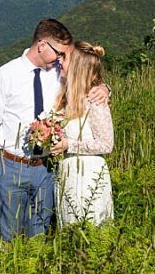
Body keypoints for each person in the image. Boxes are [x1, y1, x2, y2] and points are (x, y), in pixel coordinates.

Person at [0, 18, 108, 242]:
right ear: (41, 45)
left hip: (45, 169)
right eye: (58, 53)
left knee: (40, 231)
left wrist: (105, 88)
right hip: (11, 165)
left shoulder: (57, 74)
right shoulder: (5, 75)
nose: (61, 60)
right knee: (8, 235)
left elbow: (85, 80)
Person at [48, 41, 115, 226]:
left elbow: (106, 144)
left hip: (88, 174)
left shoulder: (94, 99)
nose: (59, 61)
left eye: (65, 58)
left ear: (77, 67)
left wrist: (69, 145)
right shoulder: (66, 98)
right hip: (67, 171)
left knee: (89, 223)